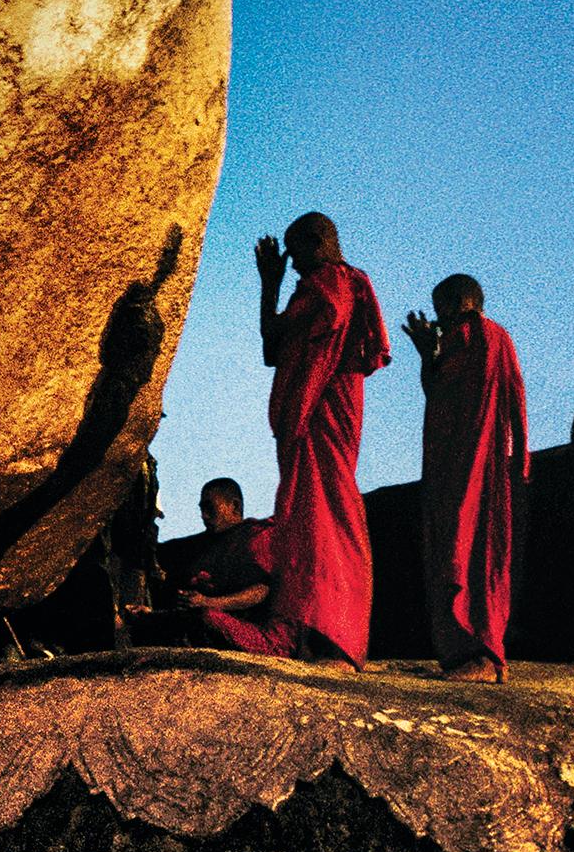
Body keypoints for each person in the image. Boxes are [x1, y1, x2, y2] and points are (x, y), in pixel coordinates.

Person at [243, 212, 390, 664]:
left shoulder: (333, 283)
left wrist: (275, 285)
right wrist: (270, 285)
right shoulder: (315, 286)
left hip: (325, 407)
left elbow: (321, 327)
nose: (295, 265)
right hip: (309, 414)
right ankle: (311, 627)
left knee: (330, 515)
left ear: (317, 241)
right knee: (308, 517)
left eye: (297, 252)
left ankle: (338, 637)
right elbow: (274, 348)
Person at [403, 274, 527, 682]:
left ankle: (485, 652)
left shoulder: (484, 335)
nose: (437, 319)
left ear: (459, 303)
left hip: (476, 463)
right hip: (452, 462)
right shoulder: (462, 340)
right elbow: (439, 396)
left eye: (440, 309)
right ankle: (463, 650)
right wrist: (427, 354)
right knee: (451, 546)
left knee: (473, 547)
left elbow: (486, 404)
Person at [175, 477, 279, 648]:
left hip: (254, 632)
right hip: (213, 623)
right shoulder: (203, 545)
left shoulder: (255, 536)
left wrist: (208, 602)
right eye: (202, 509)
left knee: (204, 617)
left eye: (210, 507)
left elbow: (260, 590)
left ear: (235, 506)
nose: (204, 516)